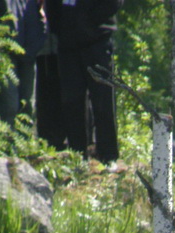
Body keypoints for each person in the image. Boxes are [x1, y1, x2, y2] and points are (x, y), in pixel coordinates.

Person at [43, 0, 121, 164]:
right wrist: (61, 28)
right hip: (67, 45)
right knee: (72, 101)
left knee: (102, 100)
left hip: (98, 40)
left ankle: (108, 156)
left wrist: (88, 22)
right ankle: (78, 156)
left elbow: (112, 4)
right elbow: (52, 7)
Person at [0, 0, 48, 127]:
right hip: (4, 50)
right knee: (9, 106)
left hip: (30, 45)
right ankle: (7, 144)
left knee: (27, 106)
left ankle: (24, 145)